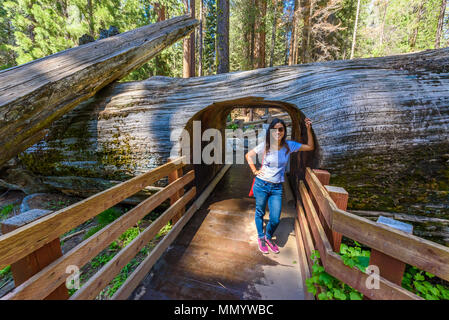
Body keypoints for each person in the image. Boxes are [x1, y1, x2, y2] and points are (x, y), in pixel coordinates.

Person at [245, 117, 314, 254]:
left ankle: (268, 237)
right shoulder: (266, 145)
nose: (278, 132)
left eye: (280, 129)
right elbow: (248, 155)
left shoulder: (289, 146)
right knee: (260, 212)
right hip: (262, 184)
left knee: (275, 218)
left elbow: (310, 147)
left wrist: (308, 129)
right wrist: (254, 171)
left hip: (277, 188)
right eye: (274, 129)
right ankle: (261, 237)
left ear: (284, 131)